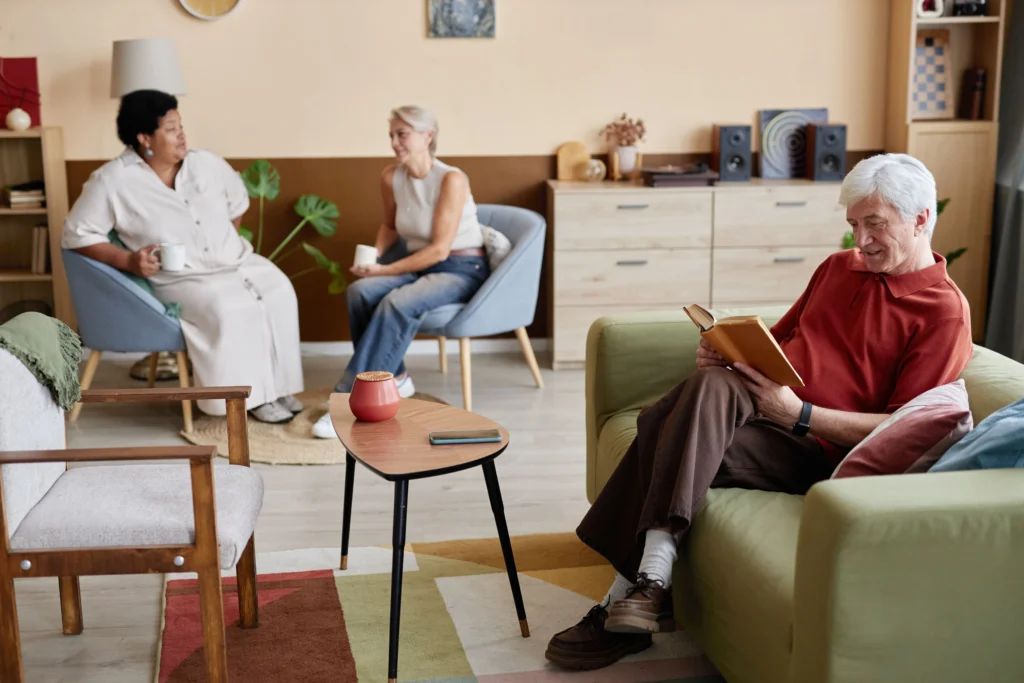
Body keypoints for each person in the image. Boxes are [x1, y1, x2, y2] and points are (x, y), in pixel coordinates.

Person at [544, 153, 974, 671]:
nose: (859, 242)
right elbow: (779, 339)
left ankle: (634, 591)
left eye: (875, 225)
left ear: (922, 218)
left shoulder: (944, 312)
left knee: (669, 423)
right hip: (757, 418)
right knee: (706, 390)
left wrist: (799, 413)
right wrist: (726, 351)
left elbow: (903, 427)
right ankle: (644, 593)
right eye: (854, 225)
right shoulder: (838, 269)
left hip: (818, 449)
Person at [62, 89, 304, 423]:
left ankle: (277, 388)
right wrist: (128, 261)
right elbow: (76, 234)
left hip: (238, 261)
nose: (182, 135)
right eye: (171, 128)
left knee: (279, 290)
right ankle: (243, 399)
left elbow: (237, 205)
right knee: (230, 309)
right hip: (182, 278)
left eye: (181, 126)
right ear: (145, 137)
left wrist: (220, 241)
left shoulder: (206, 163)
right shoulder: (113, 181)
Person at [312, 105, 490, 439]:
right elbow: (390, 225)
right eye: (392, 135)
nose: (394, 142)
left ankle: (349, 400)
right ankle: (396, 378)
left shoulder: (451, 178)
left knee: (398, 302)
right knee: (359, 292)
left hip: (461, 267)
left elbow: (439, 248)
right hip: (418, 263)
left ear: (428, 136)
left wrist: (385, 270)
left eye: (402, 134)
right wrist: (375, 256)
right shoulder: (391, 176)